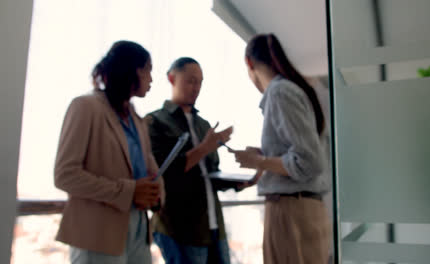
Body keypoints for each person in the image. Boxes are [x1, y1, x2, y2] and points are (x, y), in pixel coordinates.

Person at [54, 40, 165, 264]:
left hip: (138, 229)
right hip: (98, 232)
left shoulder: (136, 118)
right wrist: (129, 191)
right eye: (147, 70)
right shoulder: (85, 107)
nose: (151, 79)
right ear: (130, 70)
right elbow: (65, 175)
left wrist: (156, 194)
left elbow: (150, 168)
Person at [231, 33, 332, 264]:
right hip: (307, 209)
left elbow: (309, 162)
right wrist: (265, 156)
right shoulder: (296, 90)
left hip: (290, 212)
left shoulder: (279, 92)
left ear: (249, 63)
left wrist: (258, 162)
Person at [145, 57, 238, 264]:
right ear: (171, 78)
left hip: (214, 225)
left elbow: (209, 175)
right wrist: (205, 147)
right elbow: (162, 173)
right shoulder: (154, 122)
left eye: (200, 82)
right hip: (180, 227)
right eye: (190, 80)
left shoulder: (204, 125)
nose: (196, 87)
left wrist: (239, 182)